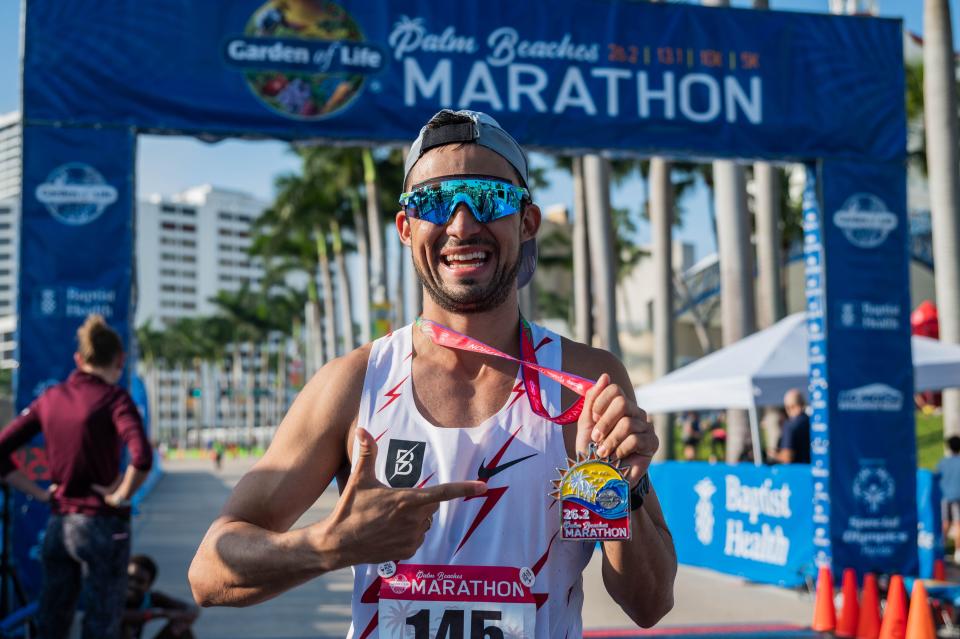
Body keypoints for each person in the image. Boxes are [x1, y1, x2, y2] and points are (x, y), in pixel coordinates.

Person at [189, 109, 677, 636]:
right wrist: (331, 544)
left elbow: (648, 604)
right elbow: (210, 572)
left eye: (488, 198)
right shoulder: (355, 383)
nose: (462, 224)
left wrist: (620, 490)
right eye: (435, 202)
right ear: (405, 227)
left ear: (527, 221)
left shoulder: (581, 382)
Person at [0, 314, 153, 639]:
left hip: (59, 526)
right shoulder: (115, 399)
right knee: (101, 622)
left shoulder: (51, 398)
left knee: (52, 620)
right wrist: (120, 495)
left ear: (79, 359)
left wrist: (40, 494)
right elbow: (141, 458)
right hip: (102, 526)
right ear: (119, 361)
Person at [123, 554, 200, 639]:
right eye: (129, 578)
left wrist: (180, 619)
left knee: (181, 627)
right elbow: (121, 616)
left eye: (140, 582)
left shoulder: (150, 598)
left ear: (149, 586)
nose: (132, 584)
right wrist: (161, 614)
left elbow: (192, 609)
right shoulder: (113, 598)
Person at [937, 436, 960, 562]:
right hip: (958, 496)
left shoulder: (943, 462)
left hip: (945, 496)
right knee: (958, 524)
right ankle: (958, 552)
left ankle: (941, 549)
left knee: (945, 523)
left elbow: (937, 477)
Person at [776, 389, 810, 464]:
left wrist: (774, 455)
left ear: (789, 407)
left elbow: (787, 457)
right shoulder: (812, 422)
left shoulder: (790, 426)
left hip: (796, 472)